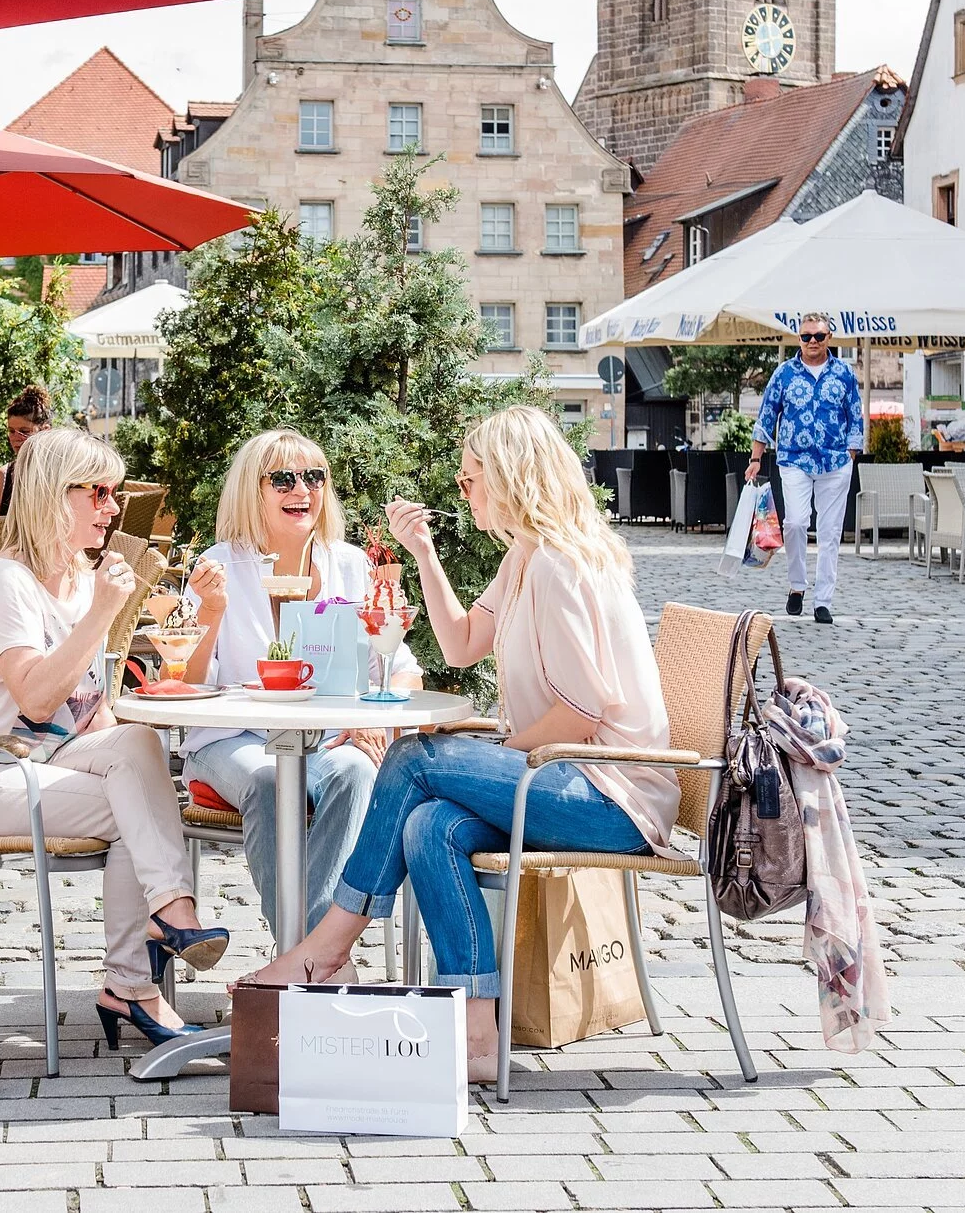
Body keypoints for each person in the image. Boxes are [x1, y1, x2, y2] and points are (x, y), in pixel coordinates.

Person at [246, 405, 677, 1084]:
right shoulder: (526, 556)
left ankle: (324, 947)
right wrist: (422, 552)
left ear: (507, 481)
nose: (462, 489)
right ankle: (478, 1035)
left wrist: (492, 749)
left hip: (613, 796)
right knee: (429, 825)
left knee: (415, 755)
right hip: (567, 779)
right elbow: (459, 644)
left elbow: (581, 713)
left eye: (471, 478)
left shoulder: (560, 565)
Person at [0, 426, 225, 1048]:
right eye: (100, 492)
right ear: (55, 495)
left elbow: (85, 709)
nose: (114, 507)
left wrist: (138, 757)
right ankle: (140, 971)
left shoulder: (79, 579)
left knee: (140, 757)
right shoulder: (5, 582)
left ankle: (157, 935)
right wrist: (105, 613)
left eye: (115, 492)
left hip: (32, 760)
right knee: (137, 811)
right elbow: (36, 696)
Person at [183, 429, 415, 939]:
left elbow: (400, 663)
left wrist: (372, 720)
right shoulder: (218, 567)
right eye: (284, 479)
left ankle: (302, 956)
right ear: (253, 490)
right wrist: (212, 613)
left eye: (314, 477)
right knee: (269, 780)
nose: (302, 490)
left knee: (355, 771)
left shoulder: (349, 564)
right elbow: (188, 683)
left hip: (326, 739)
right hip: (233, 741)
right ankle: (314, 951)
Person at [744, 312, 865, 624]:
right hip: (795, 459)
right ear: (799, 339)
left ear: (829, 339)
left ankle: (823, 600)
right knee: (796, 523)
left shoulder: (844, 373)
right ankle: (797, 585)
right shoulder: (785, 374)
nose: (812, 341)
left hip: (835, 461)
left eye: (819, 336)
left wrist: (852, 451)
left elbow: (855, 414)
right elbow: (766, 415)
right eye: (806, 336)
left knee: (829, 532)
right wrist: (756, 458)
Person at [0, 385, 54, 515]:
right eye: (11, 431)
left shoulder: (60, 474)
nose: (16, 438)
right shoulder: (3, 476)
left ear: (45, 431)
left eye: (24, 431)